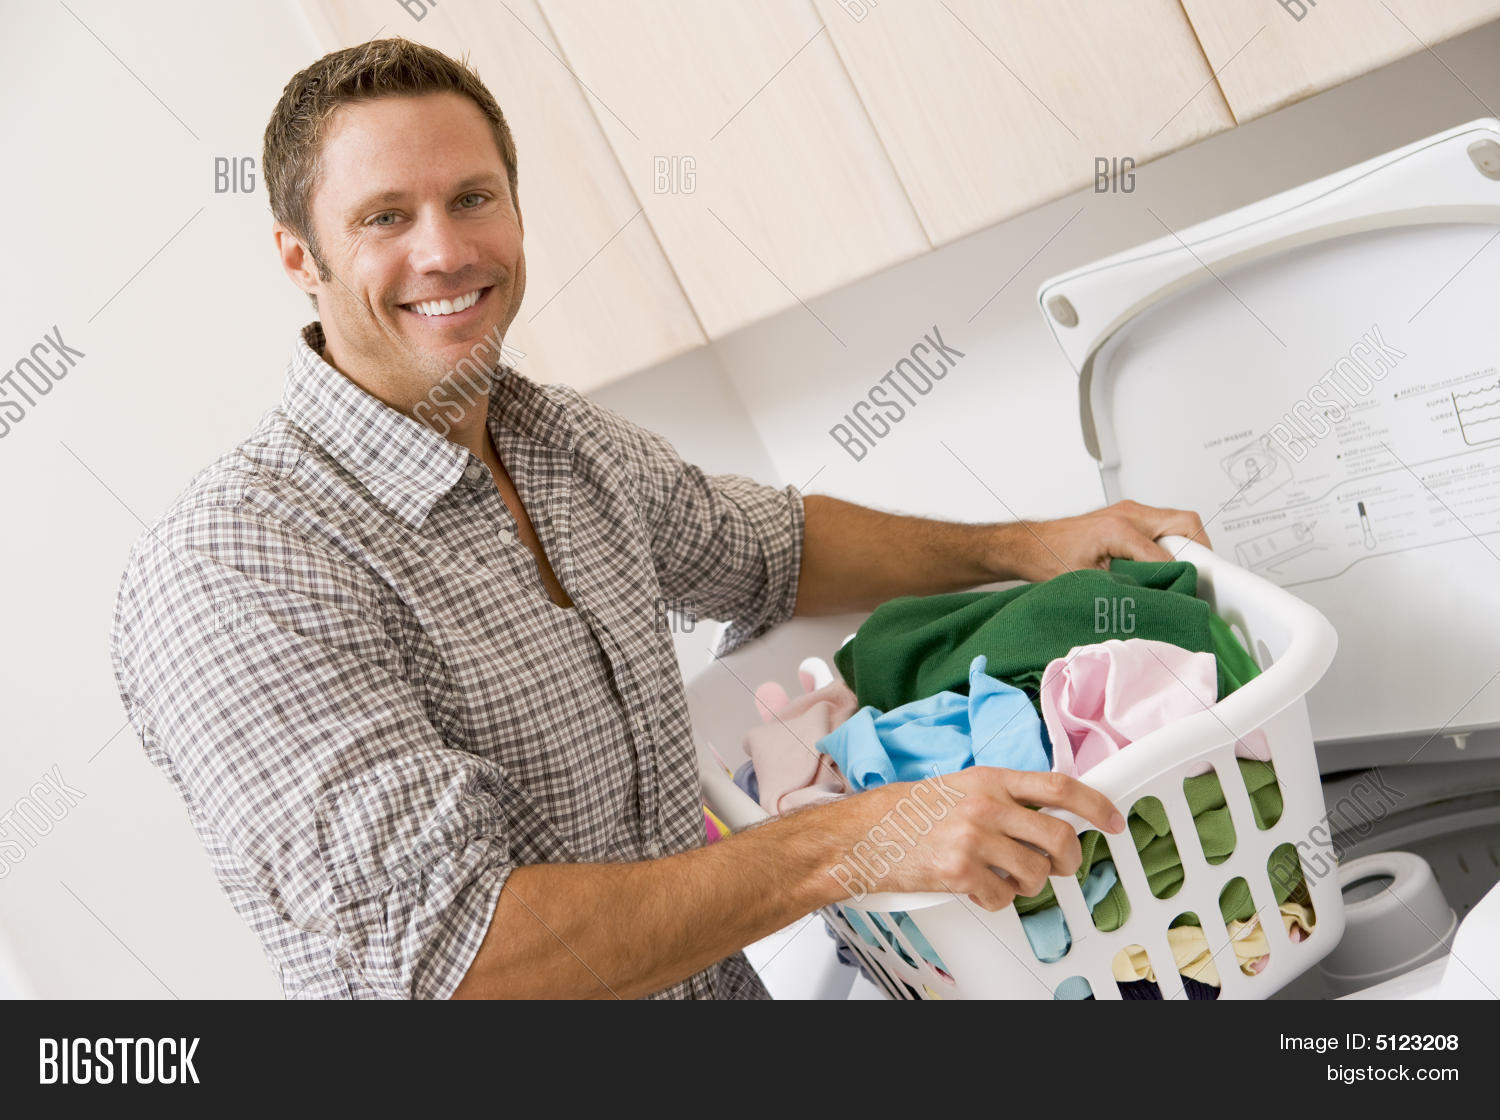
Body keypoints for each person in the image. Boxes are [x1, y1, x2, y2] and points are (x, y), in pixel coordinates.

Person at [109, 39, 1209, 1000]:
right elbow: (467, 959)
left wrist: (1032, 545)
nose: (444, 251)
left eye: (474, 197)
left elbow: (771, 554)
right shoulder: (235, 566)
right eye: (385, 217)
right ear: (300, 256)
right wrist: (855, 841)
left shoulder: (561, 443)